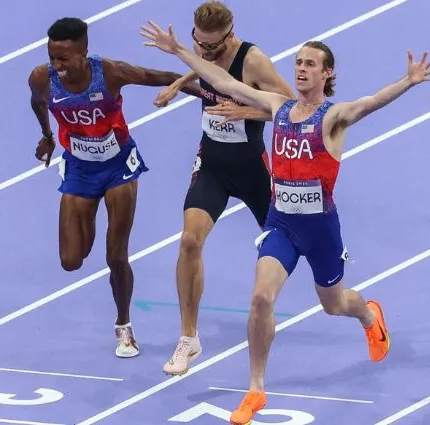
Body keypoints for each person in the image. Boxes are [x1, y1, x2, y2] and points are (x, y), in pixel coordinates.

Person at [140, 20, 430, 424]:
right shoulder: (278, 107)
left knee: (335, 304)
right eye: (298, 62)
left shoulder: (334, 117)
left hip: (320, 230)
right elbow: (222, 80)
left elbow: (370, 102)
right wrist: (178, 52)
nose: (301, 69)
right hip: (281, 224)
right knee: (261, 298)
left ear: (326, 73)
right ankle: (256, 389)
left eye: (310, 64)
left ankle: (368, 315)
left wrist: (408, 81)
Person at [28, 17, 202, 359]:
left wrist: (208, 94)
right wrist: (48, 137)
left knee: (115, 255)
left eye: (64, 58)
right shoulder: (41, 78)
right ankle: (88, 216)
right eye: (52, 57)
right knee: (71, 260)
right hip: (78, 168)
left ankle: (124, 327)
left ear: (84, 52)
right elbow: (37, 102)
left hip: (118, 167)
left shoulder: (109, 73)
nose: (57, 65)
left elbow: (162, 78)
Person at [151, 1, 295, 376]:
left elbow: (293, 108)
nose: (205, 52)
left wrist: (245, 111)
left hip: (252, 169)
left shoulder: (253, 61)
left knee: (297, 244)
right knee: (189, 241)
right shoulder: (202, 47)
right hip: (212, 164)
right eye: (199, 44)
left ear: (230, 36)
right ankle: (188, 338)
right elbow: (204, 70)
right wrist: (178, 84)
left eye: (214, 48)